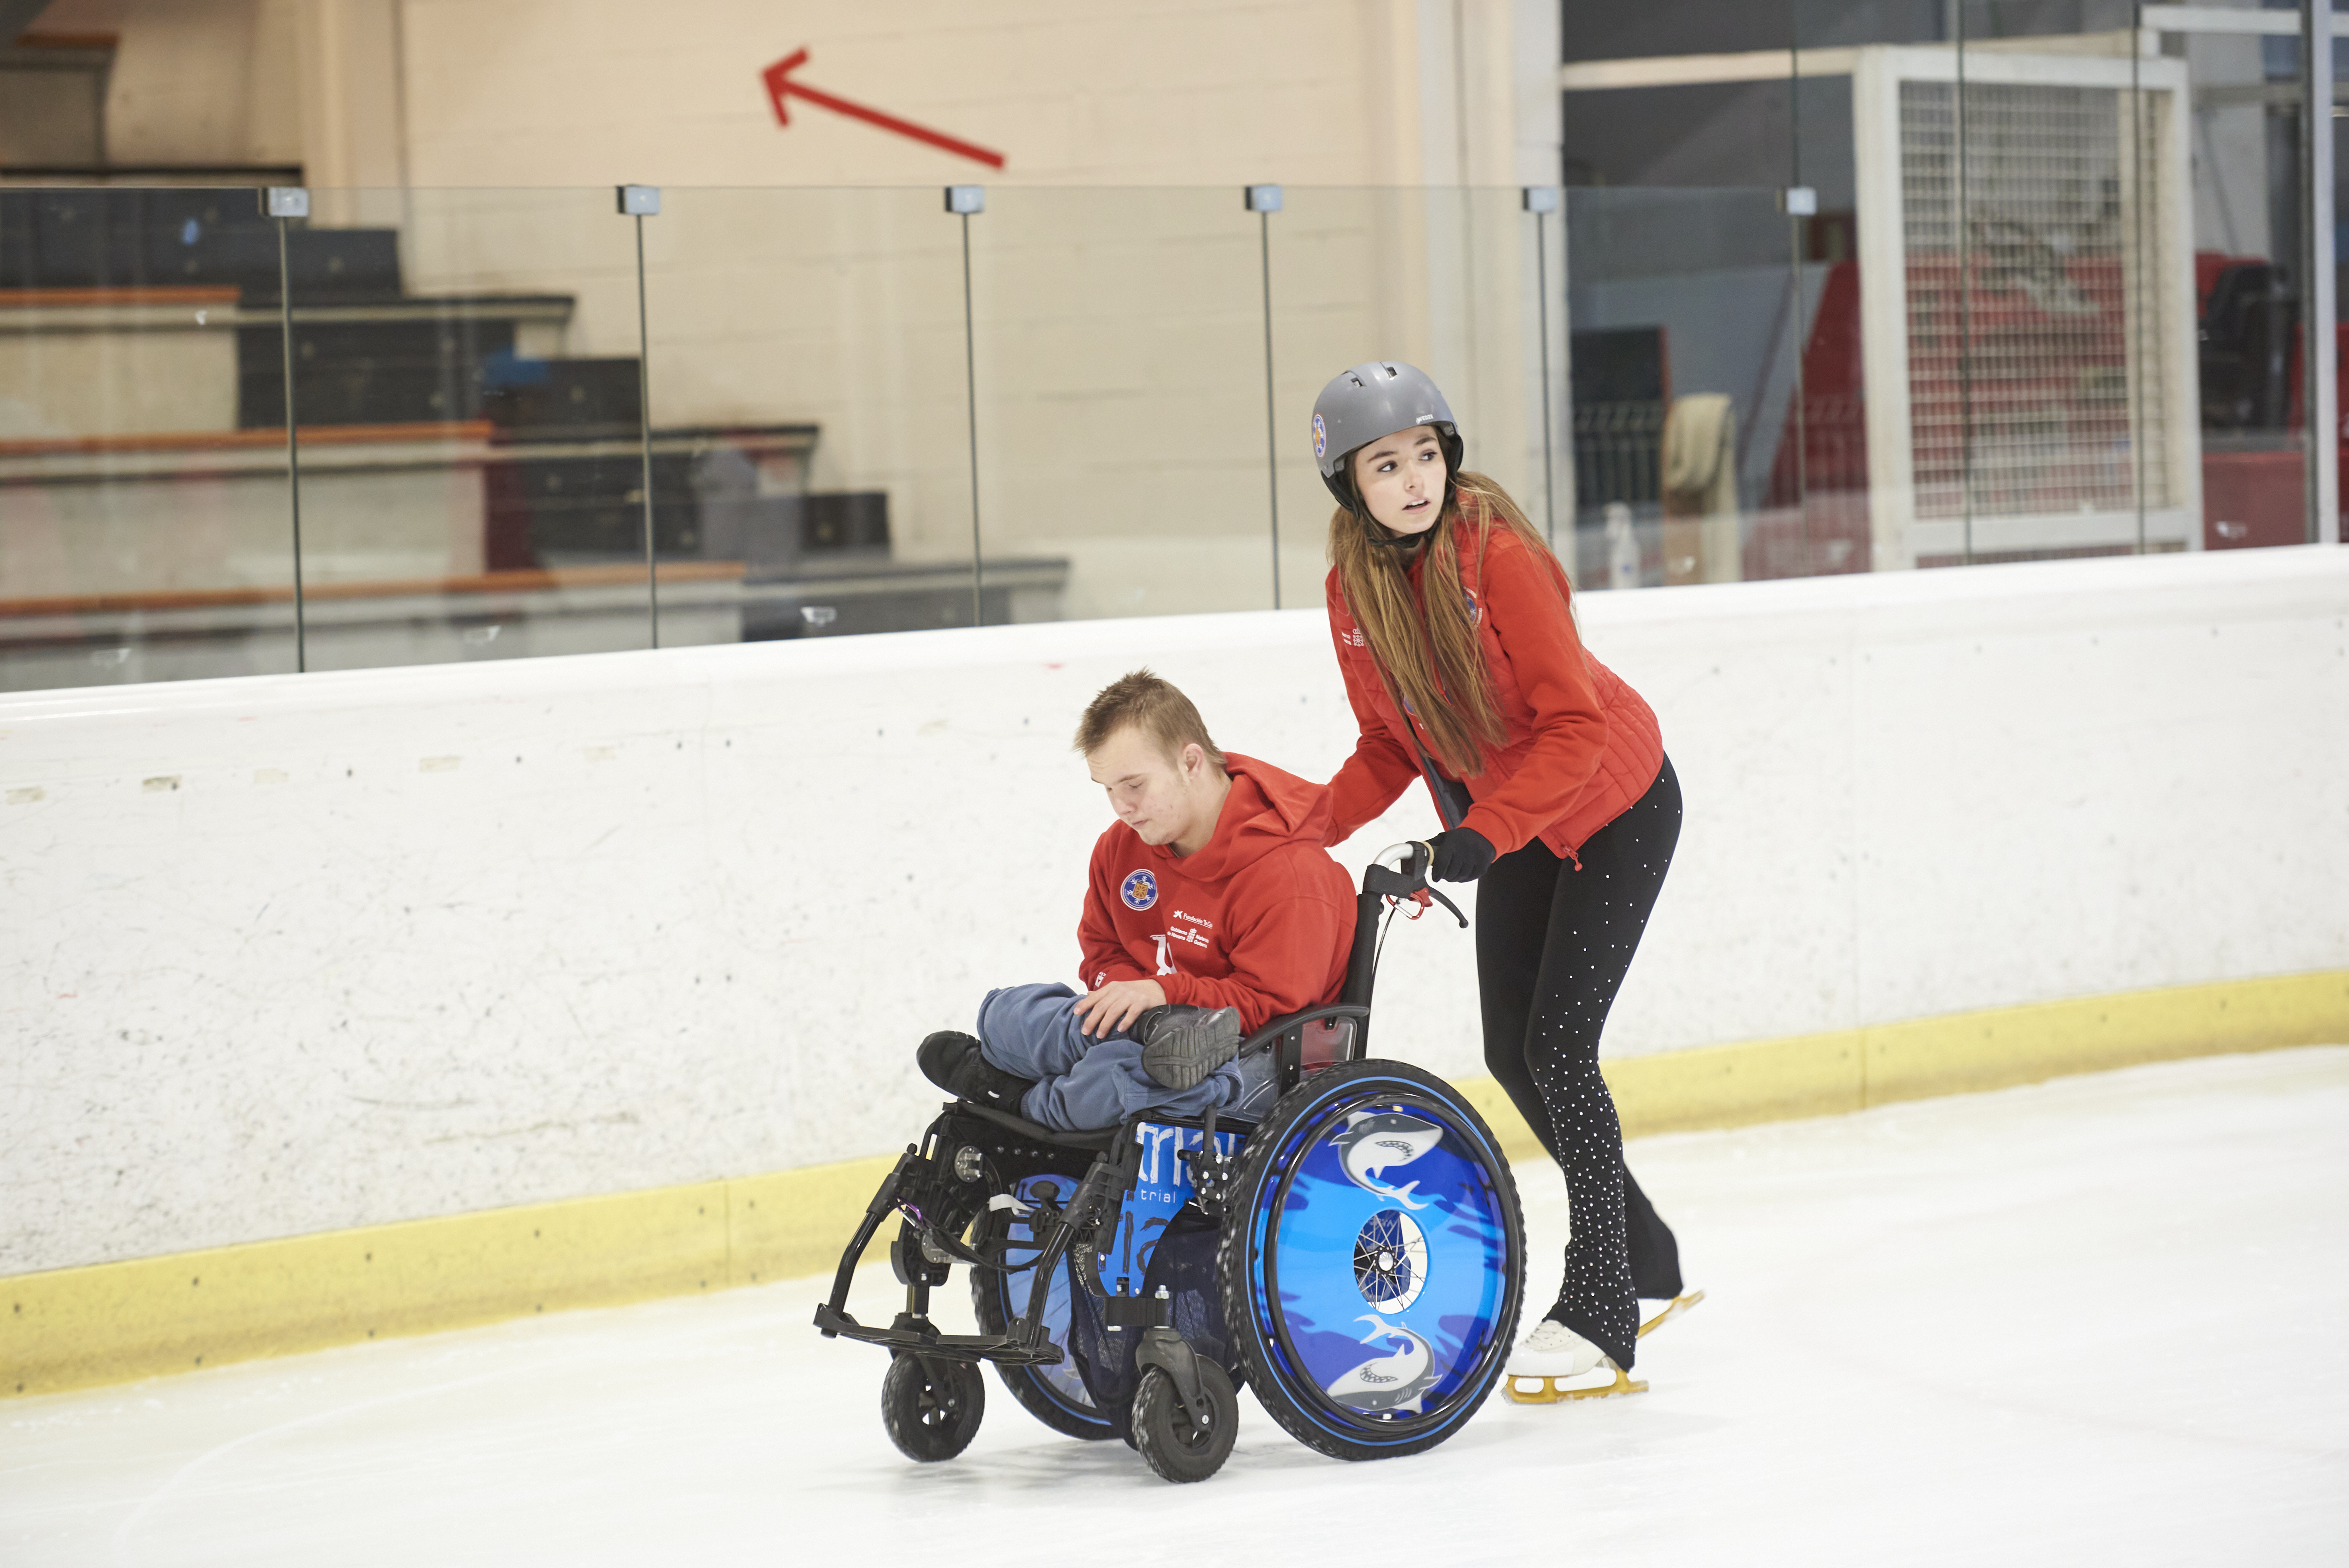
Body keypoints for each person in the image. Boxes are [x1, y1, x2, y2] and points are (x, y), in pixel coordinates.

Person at [1307, 359, 1691, 1396]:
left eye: (1426, 455)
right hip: (1511, 826)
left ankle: (1606, 1301)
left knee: (1561, 1046)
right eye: (1387, 465)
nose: (1414, 479)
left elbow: (1573, 726)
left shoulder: (1499, 559)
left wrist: (1483, 832)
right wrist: (1306, 824)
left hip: (1614, 806)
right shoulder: (1354, 592)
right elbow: (1388, 745)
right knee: (1513, 1054)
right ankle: (1649, 1257)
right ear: (1351, 485)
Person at [918, 668, 1356, 1132]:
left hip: (1251, 1053)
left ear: (1190, 763)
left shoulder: (1290, 873)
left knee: (1126, 1079)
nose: (1120, 807)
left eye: (1133, 785)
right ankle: (1119, 1047)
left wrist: (1165, 995)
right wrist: (1134, 1005)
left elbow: (1273, 1005)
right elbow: (1102, 950)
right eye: (1107, 790)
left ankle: (1021, 1101)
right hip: (1147, 1025)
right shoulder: (1121, 845)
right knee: (1006, 1012)